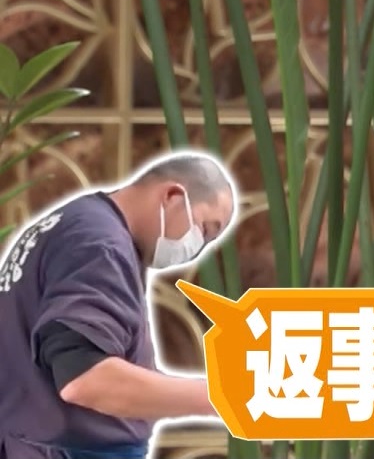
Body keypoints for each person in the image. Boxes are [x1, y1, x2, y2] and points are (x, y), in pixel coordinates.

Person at [0, 150, 238, 459]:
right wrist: (227, 394)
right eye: (204, 229)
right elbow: (85, 378)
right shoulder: (100, 244)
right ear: (172, 196)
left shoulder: (79, 222)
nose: (197, 249)